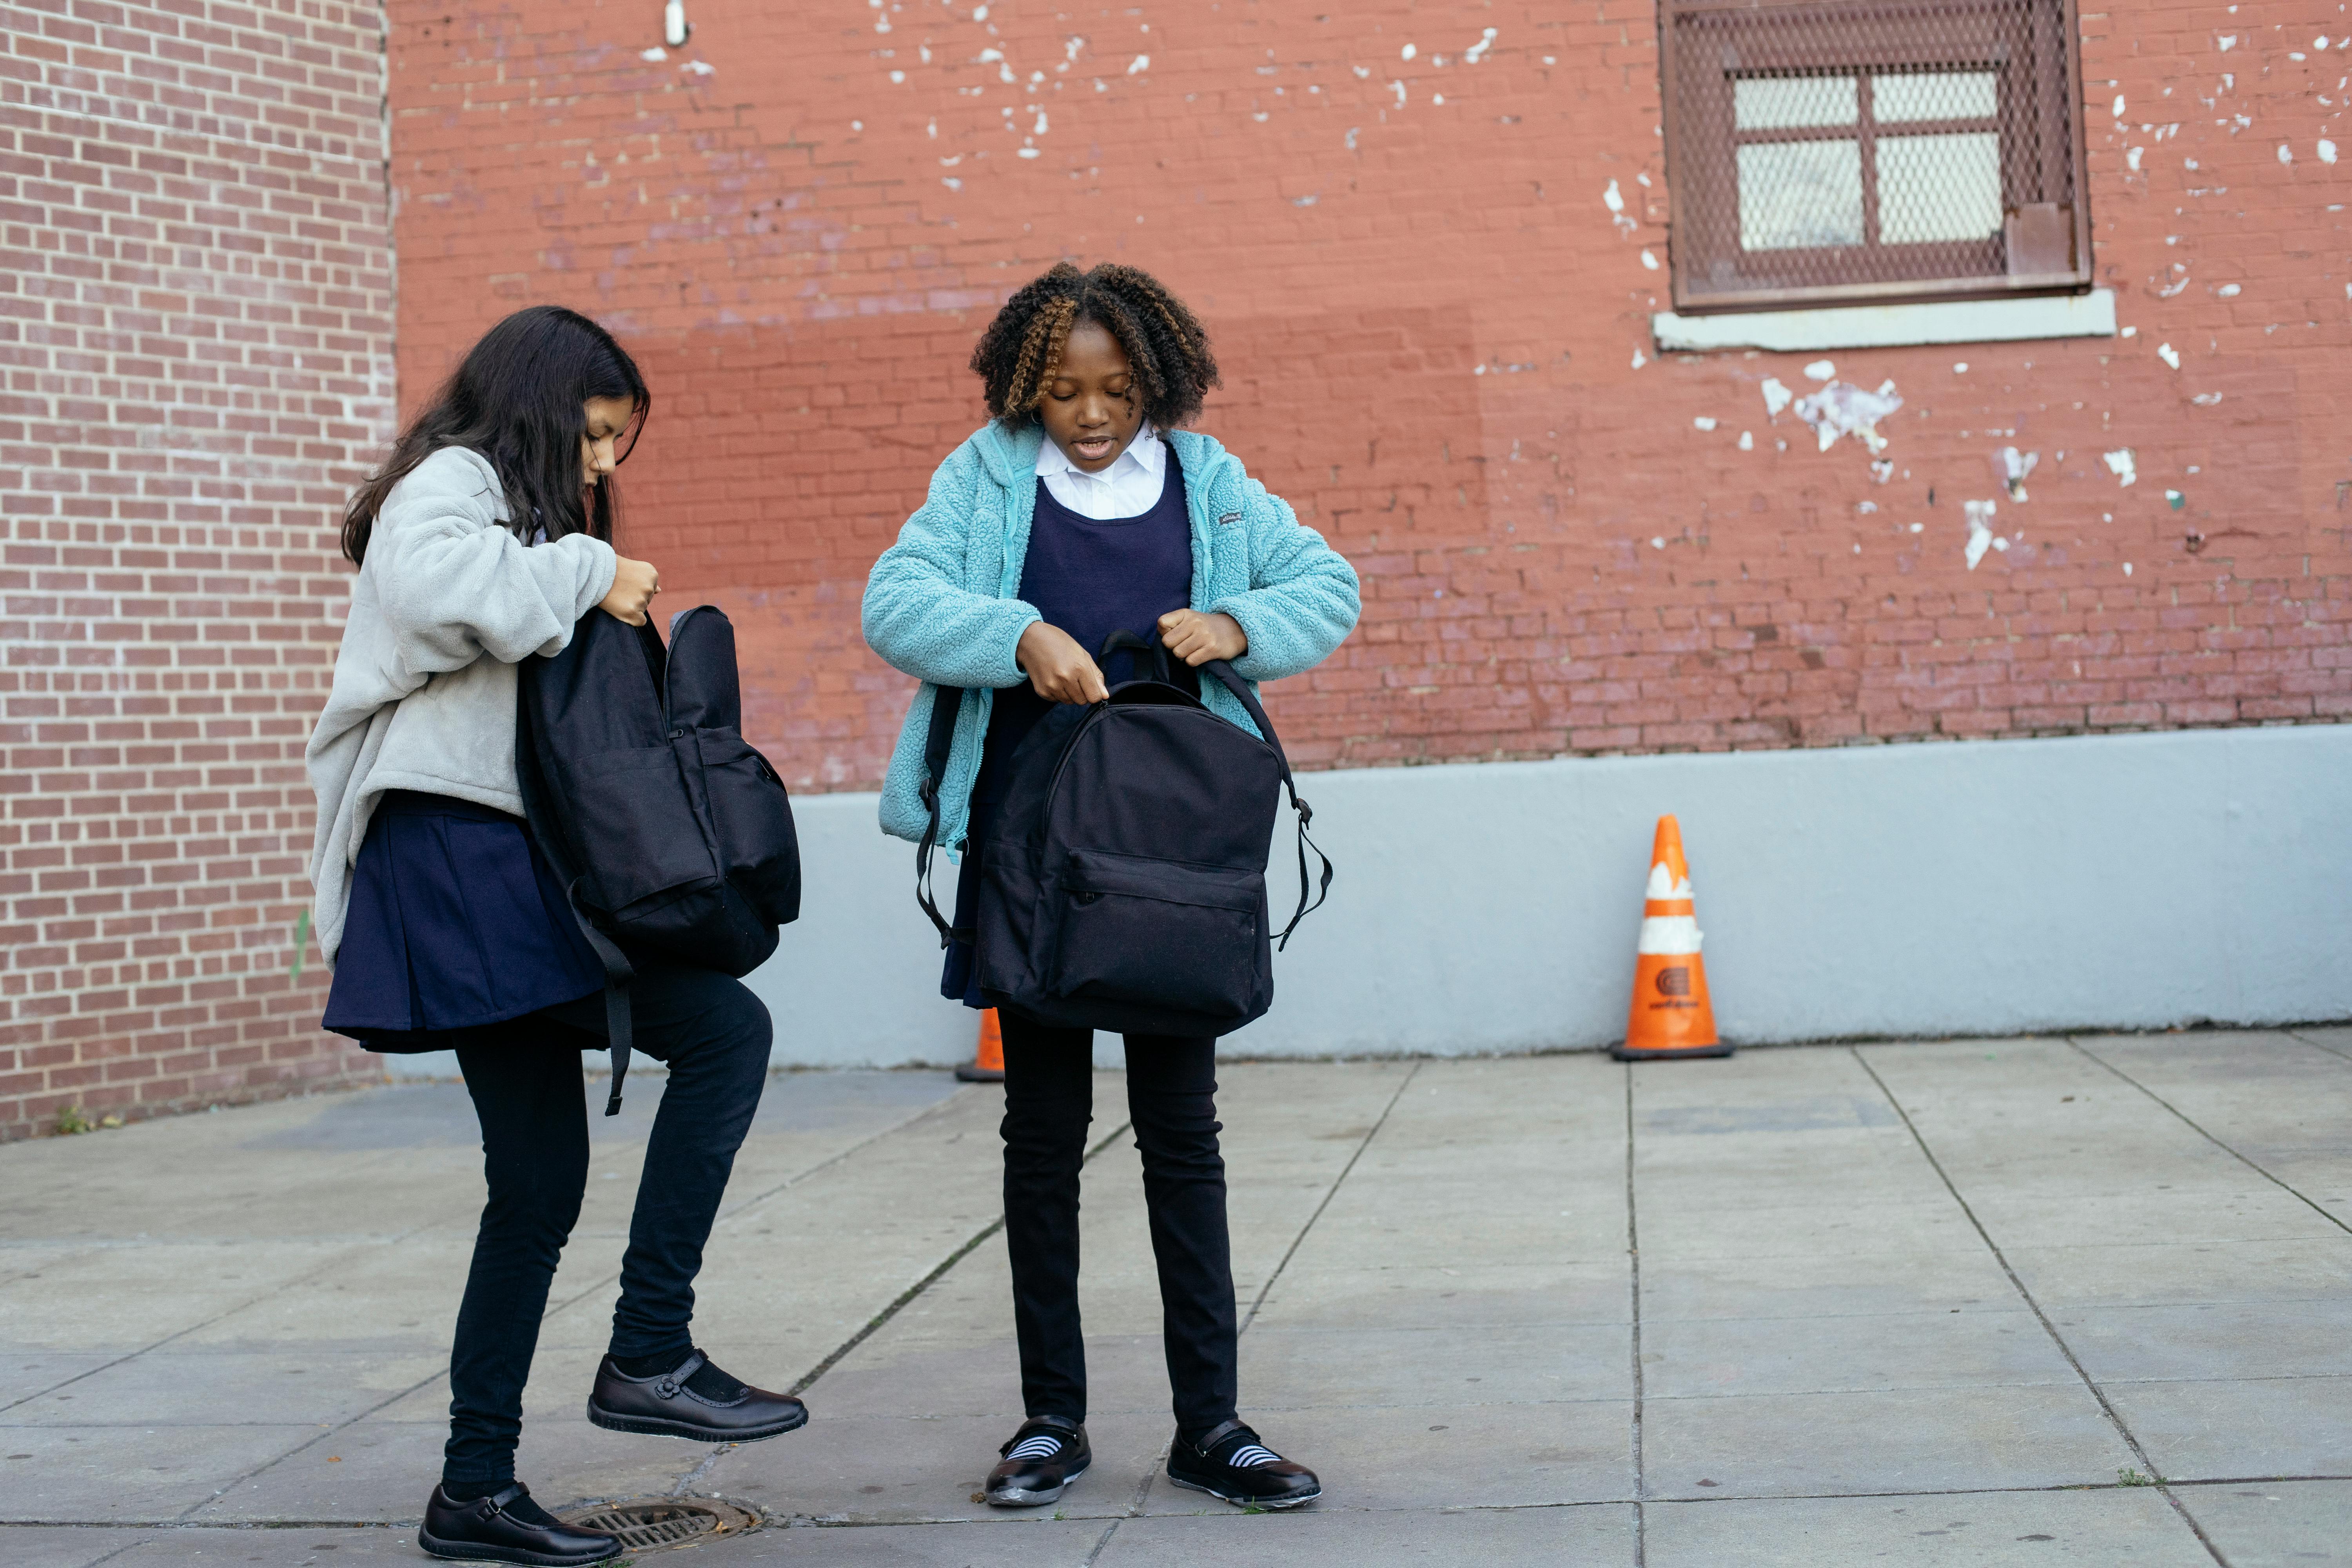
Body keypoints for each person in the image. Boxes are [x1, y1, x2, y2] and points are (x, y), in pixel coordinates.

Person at [305, 306, 804, 1568]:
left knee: (534, 1189)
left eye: (613, 451)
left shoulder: (513, 508)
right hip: (452, 858)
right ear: (537, 404)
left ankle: (475, 1489)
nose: (598, 472)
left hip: (493, 865)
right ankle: (647, 1352)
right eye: (591, 438)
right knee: (722, 1034)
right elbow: (425, 591)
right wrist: (590, 572)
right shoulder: (456, 479)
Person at [862, 262, 1360, 1511]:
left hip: (1171, 855)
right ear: (1026, 384)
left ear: (1159, 382)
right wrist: (1013, 635)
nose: (1091, 415)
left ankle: (1214, 1426)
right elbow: (895, 599)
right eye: (1065, 392)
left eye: (1118, 391)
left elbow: (1329, 587)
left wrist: (1238, 625)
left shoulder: (1211, 484)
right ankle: (1050, 1425)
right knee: (1041, 1140)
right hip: (1029, 853)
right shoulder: (984, 476)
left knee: (1182, 1140)